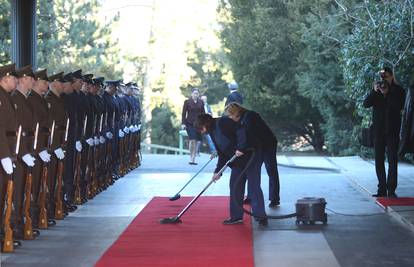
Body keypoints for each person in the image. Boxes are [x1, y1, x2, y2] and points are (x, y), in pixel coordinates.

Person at [195, 113, 268, 226]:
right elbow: (222, 153)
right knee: (235, 186)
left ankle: (260, 216)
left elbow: (241, 131)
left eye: (201, 128)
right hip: (237, 161)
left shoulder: (223, 122)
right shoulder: (212, 133)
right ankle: (236, 216)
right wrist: (217, 171)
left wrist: (241, 147)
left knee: (254, 186)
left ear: (206, 123)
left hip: (251, 155)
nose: (202, 132)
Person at [225, 102, 281, 208]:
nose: (230, 118)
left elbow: (249, 136)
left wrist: (242, 149)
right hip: (257, 145)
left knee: (271, 170)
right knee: (253, 170)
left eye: (230, 115)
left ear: (236, 113)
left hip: (267, 144)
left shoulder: (249, 117)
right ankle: (251, 197)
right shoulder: (242, 118)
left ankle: (274, 198)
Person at [363, 67, 405, 198]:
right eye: (381, 77)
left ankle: (391, 190)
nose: (383, 79)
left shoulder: (398, 90)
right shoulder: (377, 90)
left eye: (386, 76)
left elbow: (399, 106)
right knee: (379, 161)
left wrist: (387, 93)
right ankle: (381, 189)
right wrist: (374, 91)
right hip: (378, 131)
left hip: (392, 130)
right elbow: (366, 104)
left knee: (392, 161)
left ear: (392, 76)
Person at [181, 88, 204, 165]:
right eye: (194, 93)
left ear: (198, 94)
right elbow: (184, 113)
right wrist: (183, 123)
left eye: (197, 93)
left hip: (198, 124)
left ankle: (194, 157)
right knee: (192, 140)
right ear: (191, 94)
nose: (196, 95)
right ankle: (191, 157)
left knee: (197, 140)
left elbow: (203, 113)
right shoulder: (187, 102)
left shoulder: (201, 102)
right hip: (189, 123)